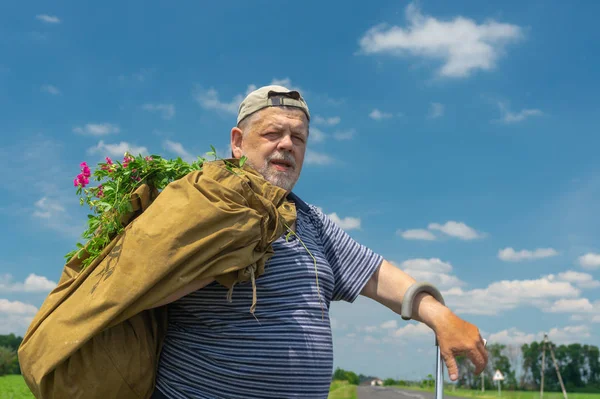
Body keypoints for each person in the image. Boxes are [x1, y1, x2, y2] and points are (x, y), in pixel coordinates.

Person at [152, 85, 488, 399]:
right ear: (238, 142)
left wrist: (440, 316)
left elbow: (374, 274)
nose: (287, 144)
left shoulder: (309, 220)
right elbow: (147, 285)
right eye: (273, 133)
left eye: (298, 137)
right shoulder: (201, 204)